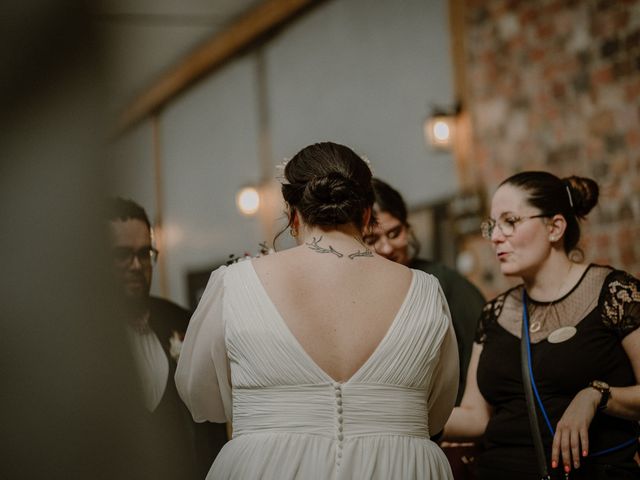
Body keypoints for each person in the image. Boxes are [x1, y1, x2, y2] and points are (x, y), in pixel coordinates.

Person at [175, 142, 459, 479]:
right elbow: (437, 411)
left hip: (264, 467)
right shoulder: (424, 290)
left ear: (293, 214)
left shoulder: (234, 283)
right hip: (401, 468)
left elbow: (202, 398)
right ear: (367, 213)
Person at [443, 171, 640, 479]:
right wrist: (410, 418)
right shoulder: (494, 314)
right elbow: (475, 418)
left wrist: (596, 396)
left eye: (510, 221)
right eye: (492, 225)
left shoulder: (615, 294)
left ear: (554, 227)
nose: (495, 237)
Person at [107, 197, 227, 479]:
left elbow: (210, 426)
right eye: (122, 254)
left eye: (145, 254)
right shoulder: (79, 338)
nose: (136, 266)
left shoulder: (182, 321)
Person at [366, 178, 485, 405]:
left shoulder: (444, 282)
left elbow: (481, 358)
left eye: (394, 233)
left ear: (408, 228)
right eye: (372, 240)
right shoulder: (358, 298)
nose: (388, 248)